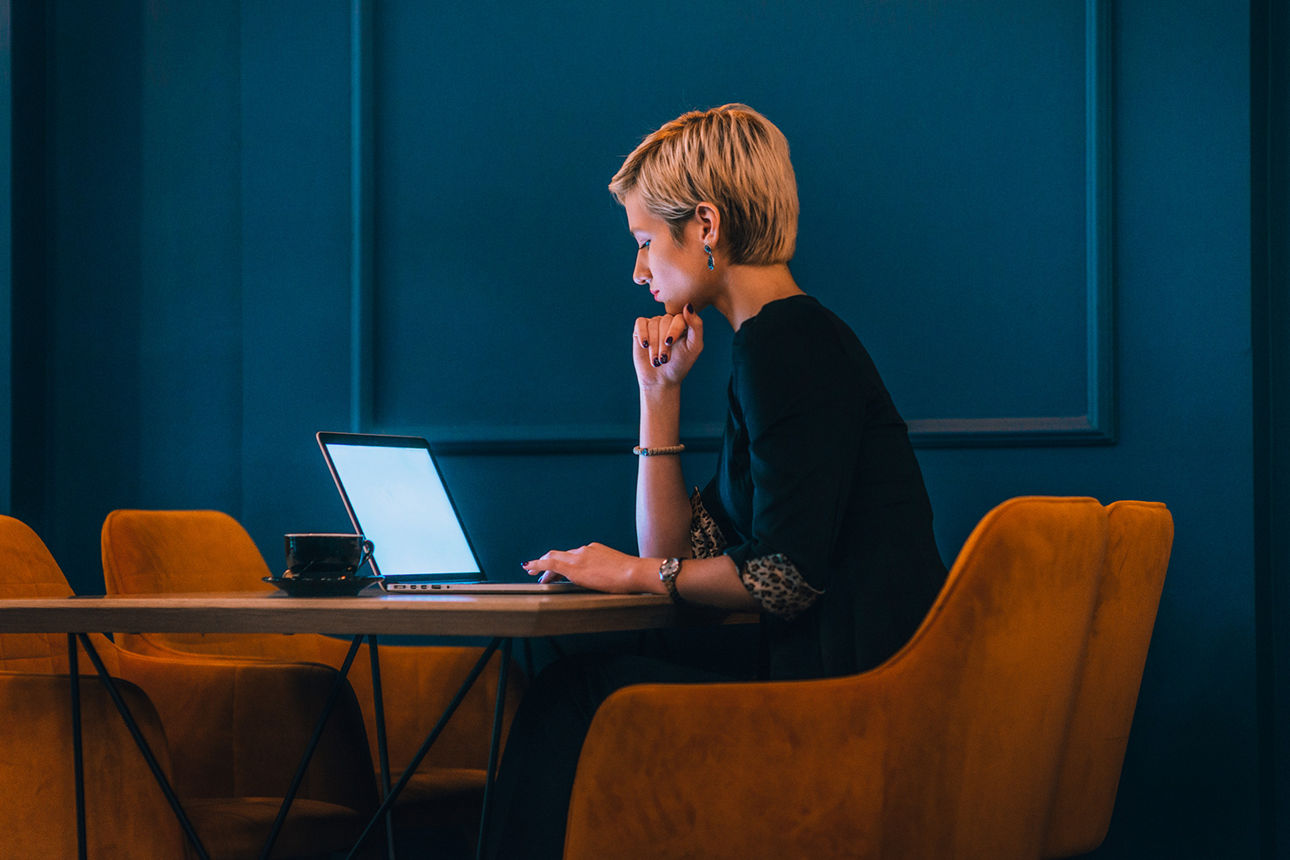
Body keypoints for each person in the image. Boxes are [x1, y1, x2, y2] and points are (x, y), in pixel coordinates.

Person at [483, 104, 947, 859]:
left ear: (705, 225)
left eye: (643, 242)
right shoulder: (775, 341)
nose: (637, 271)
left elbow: (783, 579)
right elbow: (688, 546)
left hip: (851, 698)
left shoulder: (785, 347)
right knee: (577, 682)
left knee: (573, 696)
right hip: (845, 675)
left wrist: (628, 573)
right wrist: (657, 398)